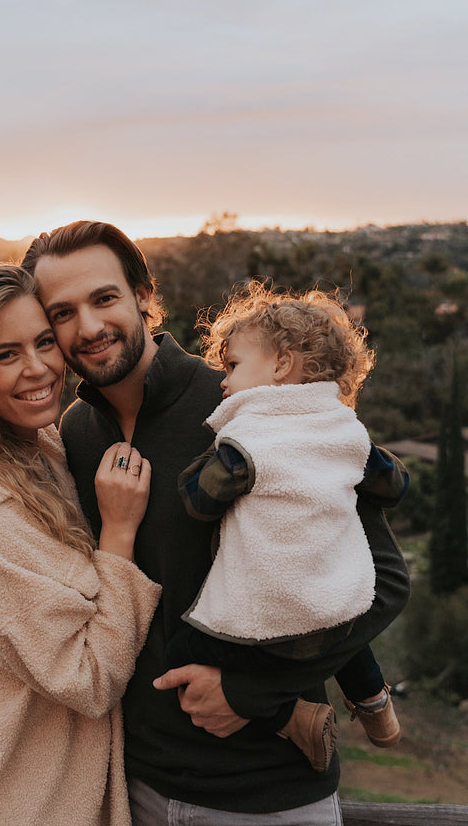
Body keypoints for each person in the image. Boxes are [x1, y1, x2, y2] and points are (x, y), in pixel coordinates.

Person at [22, 221, 411, 826]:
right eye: (63, 312)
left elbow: (383, 581)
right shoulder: (73, 434)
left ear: (144, 296)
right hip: (133, 789)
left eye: (104, 299)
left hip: (269, 795)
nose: (89, 327)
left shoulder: (250, 404)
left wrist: (248, 693)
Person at [0, 262, 161, 826]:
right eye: (6, 354)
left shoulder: (42, 448)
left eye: (44, 342)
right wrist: (118, 533)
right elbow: (88, 679)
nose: (39, 368)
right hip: (30, 805)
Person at [166, 280, 406, 770]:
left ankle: (289, 717)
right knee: (341, 622)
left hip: (271, 608)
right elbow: (393, 485)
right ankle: (374, 701)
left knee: (175, 657)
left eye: (232, 365)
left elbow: (199, 502)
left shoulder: (249, 437)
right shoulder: (346, 430)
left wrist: (202, 463)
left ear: (280, 365)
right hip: (334, 600)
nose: (223, 380)